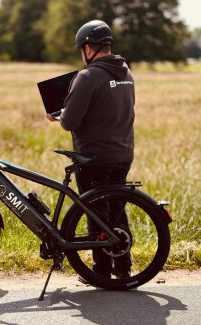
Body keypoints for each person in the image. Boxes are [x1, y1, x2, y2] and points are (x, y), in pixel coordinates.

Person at [46, 20, 135, 279]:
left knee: (96, 213)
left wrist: (59, 116)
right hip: (122, 154)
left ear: (87, 48)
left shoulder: (87, 76)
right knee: (117, 210)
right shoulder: (126, 73)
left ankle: (101, 271)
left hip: (94, 158)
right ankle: (123, 266)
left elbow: (70, 122)